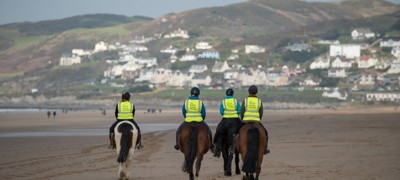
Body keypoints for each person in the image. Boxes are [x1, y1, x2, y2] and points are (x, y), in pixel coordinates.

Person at [174, 87, 215, 151]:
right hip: (199, 120)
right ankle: (211, 145)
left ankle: (177, 145)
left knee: (178, 131)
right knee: (208, 131)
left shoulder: (186, 102)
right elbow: (203, 113)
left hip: (188, 120)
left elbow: (184, 111)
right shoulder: (200, 102)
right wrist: (202, 119)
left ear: (191, 93)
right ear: (198, 94)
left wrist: (187, 118)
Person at [236, 85, 270, 154]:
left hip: (246, 121)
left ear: (249, 92)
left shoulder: (245, 100)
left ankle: (233, 147)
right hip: (256, 121)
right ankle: (265, 148)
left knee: (235, 132)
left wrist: (243, 119)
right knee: (265, 133)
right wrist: (258, 119)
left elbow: (242, 112)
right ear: (256, 92)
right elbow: (261, 112)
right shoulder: (259, 101)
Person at [213, 88, 241, 157]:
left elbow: (221, 111)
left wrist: (225, 115)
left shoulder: (223, 101)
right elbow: (239, 110)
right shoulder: (235, 101)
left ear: (226, 94)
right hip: (235, 118)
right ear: (232, 94)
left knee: (218, 130)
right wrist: (235, 114)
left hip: (225, 118)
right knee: (243, 129)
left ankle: (216, 147)